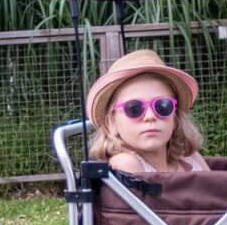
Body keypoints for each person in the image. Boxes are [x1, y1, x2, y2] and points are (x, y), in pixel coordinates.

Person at [88, 49, 211, 178]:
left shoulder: (191, 159)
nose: (150, 116)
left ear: (175, 117)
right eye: (134, 108)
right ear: (111, 123)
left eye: (162, 106)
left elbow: (219, 193)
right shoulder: (127, 163)